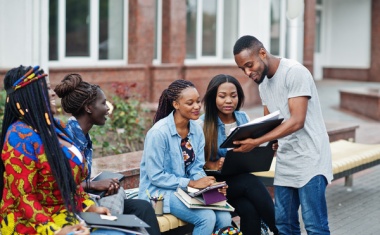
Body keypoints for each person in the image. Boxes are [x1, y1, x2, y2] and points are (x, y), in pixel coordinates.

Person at [0, 65, 126, 235]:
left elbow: (70, 183)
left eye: (50, 87)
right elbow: (23, 197)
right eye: (45, 88)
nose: (52, 93)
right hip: (31, 226)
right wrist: (55, 231)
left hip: (68, 216)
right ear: (29, 96)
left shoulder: (57, 127)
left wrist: (90, 208)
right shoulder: (18, 137)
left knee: (124, 231)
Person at [233, 35, 333, 234]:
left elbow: (297, 120)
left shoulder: (294, 73)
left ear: (262, 53)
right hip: (287, 161)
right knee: (284, 225)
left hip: (311, 158)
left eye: (249, 65)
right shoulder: (263, 85)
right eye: (242, 68)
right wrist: (245, 138)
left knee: (314, 226)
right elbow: (270, 122)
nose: (247, 72)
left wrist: (257, 141)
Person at [54, 73, 161, 235]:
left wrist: (99, 183)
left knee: (143, 207)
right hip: (72, 206)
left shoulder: (83, 137)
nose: (107, 109)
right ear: (88, 108)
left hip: (87, 198)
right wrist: (94, 185)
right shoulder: (66, 139)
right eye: (103, 103)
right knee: (125, 210)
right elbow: (59, 185)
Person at [138, 79, 232, 234]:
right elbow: (156, 176)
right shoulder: (159, 133)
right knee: (206, 218)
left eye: (198, 101)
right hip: (159, 192)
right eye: (190, 103)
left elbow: (196, 167)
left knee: (224, 217)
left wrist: (208, 185)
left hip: (187, 190)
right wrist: (192, 183)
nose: (196, 107)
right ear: (176, 104)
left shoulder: (196, 129)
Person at [197, 74, 278, 235]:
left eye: (233, 96)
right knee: (251, 182)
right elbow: (194, 163)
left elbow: (252, 148)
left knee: (250, 210)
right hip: (215, 186)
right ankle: (280, 230)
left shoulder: (243, 118)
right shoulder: (202, 123)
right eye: (222, 96)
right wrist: (212, 164)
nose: (228, 101)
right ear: (213, 97)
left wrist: (267, 147)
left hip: (238, 183)